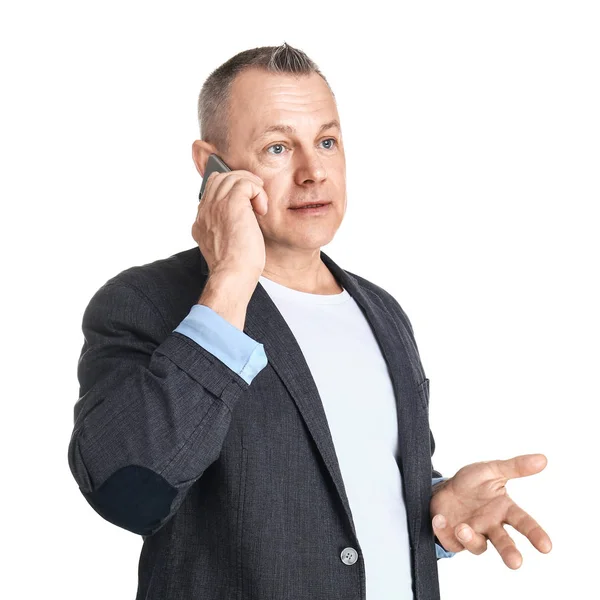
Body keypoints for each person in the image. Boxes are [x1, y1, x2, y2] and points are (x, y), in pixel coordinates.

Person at [67, 43, 552, 600]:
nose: (313, 172)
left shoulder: (383, 311)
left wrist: (435, 505)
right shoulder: (145, 302)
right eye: (278, 147)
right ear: (210, 168)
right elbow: (129, 493)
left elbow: (343, 498)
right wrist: (229, 280)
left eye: (326, 141)